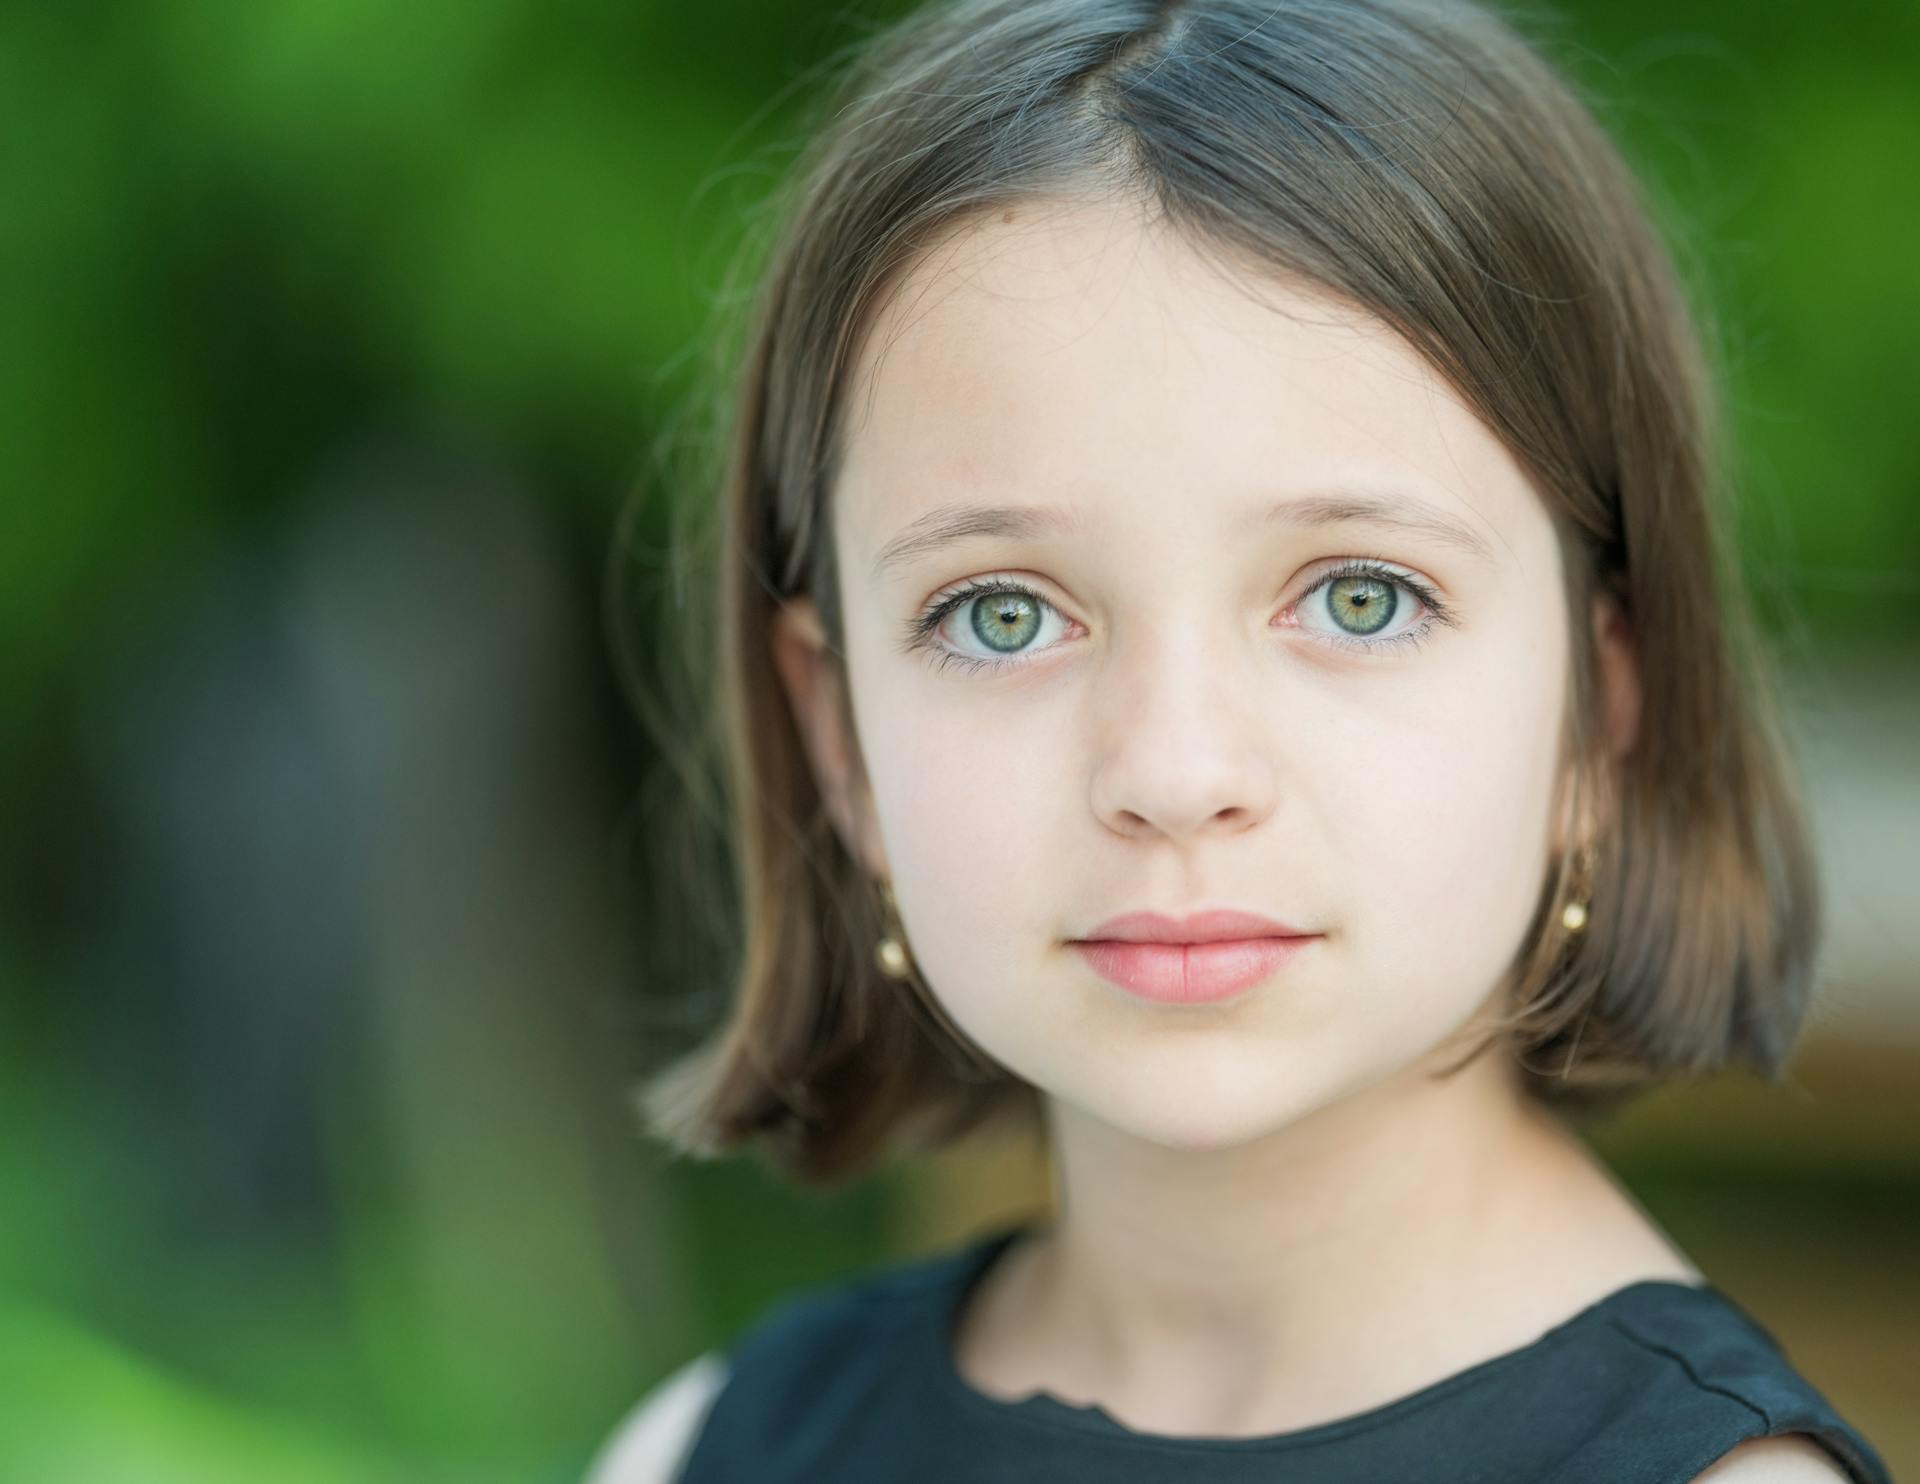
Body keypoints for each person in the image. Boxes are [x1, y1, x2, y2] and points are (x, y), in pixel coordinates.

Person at [588, 0, 1895, 1478]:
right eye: (1004, 616)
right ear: (840, 741)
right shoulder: (705, 1448)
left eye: (1358, 597)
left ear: (1605, 710)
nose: (1176, 773)